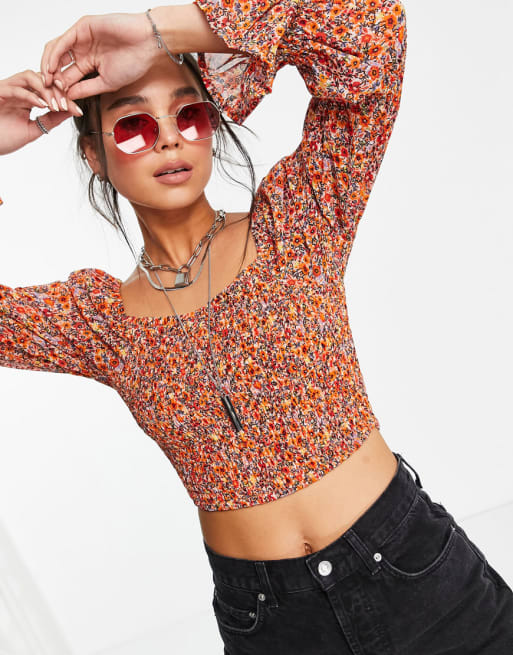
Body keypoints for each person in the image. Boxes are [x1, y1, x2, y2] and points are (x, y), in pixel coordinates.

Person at [1, 1, 512, 652]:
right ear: (94, 154)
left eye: (190, 114)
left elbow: (370, 31)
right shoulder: (103, 321)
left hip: (419, 579)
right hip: (273, 625)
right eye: (132, 126)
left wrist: (156, 32)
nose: (169, 139)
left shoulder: (296, 223)